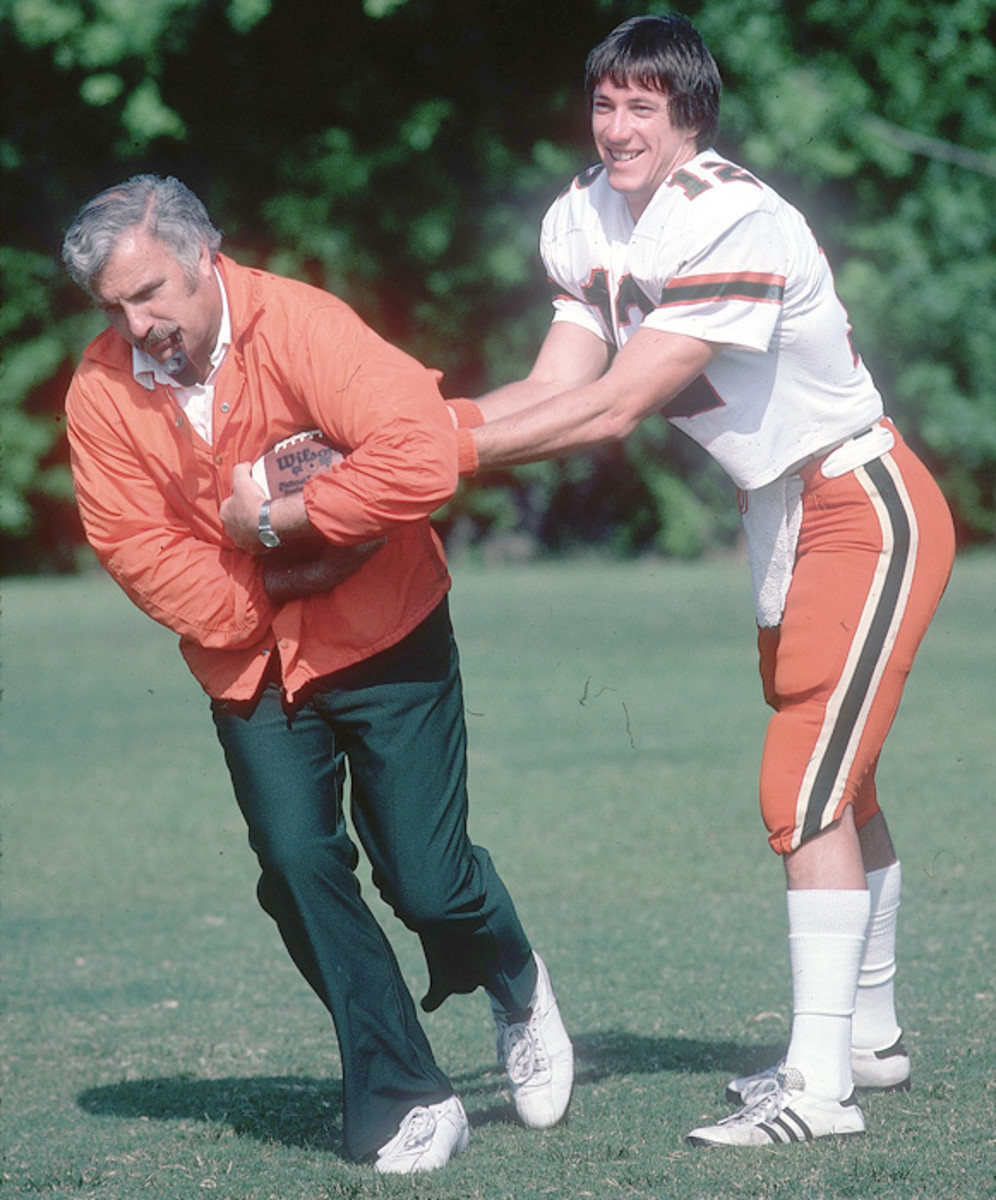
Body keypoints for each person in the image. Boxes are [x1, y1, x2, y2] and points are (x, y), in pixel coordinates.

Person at [447, 15, 955, 1147]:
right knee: (841, 775)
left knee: (805, 787)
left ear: (691, 116)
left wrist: (441, 454)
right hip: (781, 511)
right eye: (605, 101)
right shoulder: (581, 215)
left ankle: (820, 1090)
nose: (618, 124)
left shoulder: (734, 213)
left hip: (861, 499)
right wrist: (424, 430)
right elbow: (553, 384)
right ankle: (866, 1040)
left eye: (644, 105)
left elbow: (620, 405)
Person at [61, 174, 573, 1173]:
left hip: (391, 636)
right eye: (117, 306)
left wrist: (281, 524)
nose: (139, 322)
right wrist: (284, 585)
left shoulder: (303, 326)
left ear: (206, 258)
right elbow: (135, 547)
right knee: (296, 866)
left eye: (153, 291)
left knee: (428, 884)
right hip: (249, 665)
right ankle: (408, 1093)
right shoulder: (98, 390)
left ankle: (517, 984)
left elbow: (420, 457)